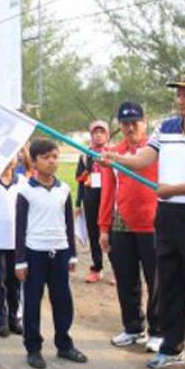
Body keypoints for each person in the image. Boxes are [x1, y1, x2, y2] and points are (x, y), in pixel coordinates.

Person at [104, 70, 185, 369]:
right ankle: (171, 346)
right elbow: (145, 158)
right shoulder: (167, 127)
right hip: (166, 216)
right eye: (179, 94)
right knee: (168, 283)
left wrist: (174, 189)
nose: (181, 100)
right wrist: (115, 158)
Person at [15, 138, 87, 369]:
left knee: (62, 300)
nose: (52, 162)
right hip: (34, 253)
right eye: (46, 158)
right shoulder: (25, 191)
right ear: (34, 162)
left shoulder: (63, 189)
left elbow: (69, 223)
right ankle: (33, 348)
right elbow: (20, 228)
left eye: (55, 157)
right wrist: (20, 261)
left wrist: (72, 255)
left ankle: (64, 344)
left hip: (60, 252)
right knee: (33, 302)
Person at [98, 102, 160, 350]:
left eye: (135, 122)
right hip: (122, 224)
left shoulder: (154, 150)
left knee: (157, 281)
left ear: (144, 123)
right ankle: (133, 327)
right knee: (126, 279)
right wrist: (103, 227)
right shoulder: (112, 154)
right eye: (125, 123)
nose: (130, 127)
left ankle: (158, 330)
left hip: (153, 224)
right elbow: (107, 192)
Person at [0, 157, 24, 338]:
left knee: (15, 282)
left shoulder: (21, 183)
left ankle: (14, 318)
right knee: (0, 283)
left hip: (16, 242)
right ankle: (0, 320)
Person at [75, 120, 110, 283]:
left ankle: (118, 269)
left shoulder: (113, 153)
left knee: (113, 233)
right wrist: (77, 204)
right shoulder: (85, 155)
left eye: (101, 132)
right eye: (95, 132)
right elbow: (80, 181)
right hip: (90, 198)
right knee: (93, 232)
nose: (98, 135)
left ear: (107, 135)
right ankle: (97, 267)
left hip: (109, 197)